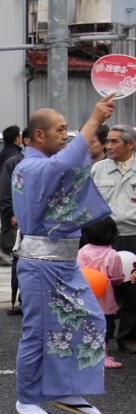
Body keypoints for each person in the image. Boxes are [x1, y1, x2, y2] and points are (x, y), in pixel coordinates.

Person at [12, 94, 115, 414]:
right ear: (39, 135)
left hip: (63, 263)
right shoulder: (31, 165)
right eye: (61, 130)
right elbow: (65, 165)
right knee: (39, 334)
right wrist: (94, 119)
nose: (66, 135)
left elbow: (68, 166)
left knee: (89, 320)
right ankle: (27, 401)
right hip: (41, 264)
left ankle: (67, 389)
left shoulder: (37, 165)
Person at [92, 124, 136, 354]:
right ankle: (100, 340)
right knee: (101, 290)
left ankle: (127, 338)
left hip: (132, 237)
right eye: (107, 141)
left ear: (131, 144)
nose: (108, 146)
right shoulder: (98, 169)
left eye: (115, 142)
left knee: (132, 290)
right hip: (103, 239)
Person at [78, 217, 125, 368]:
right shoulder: (112, 255)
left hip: (85, 298)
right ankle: (102, 356)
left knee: (86, 325)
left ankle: (84, 352)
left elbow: (79, 273)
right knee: (104, 328)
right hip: (104, 300)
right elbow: (116, 278)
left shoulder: (82, 251)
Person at [0, 129, 30, 315]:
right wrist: (11, 212)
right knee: (20, 258)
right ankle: (21, 299)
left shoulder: (50, 161)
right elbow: (5, 190)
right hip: (20, 218)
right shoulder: (13, 162)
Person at [0, 125, 23, 266]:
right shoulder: (14, 156)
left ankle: (3, 251)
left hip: (0, 191)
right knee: (9, 223)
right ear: (17, 138)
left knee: (6, 223)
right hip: (7, 192)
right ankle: (5, 251)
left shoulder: (3, 152)